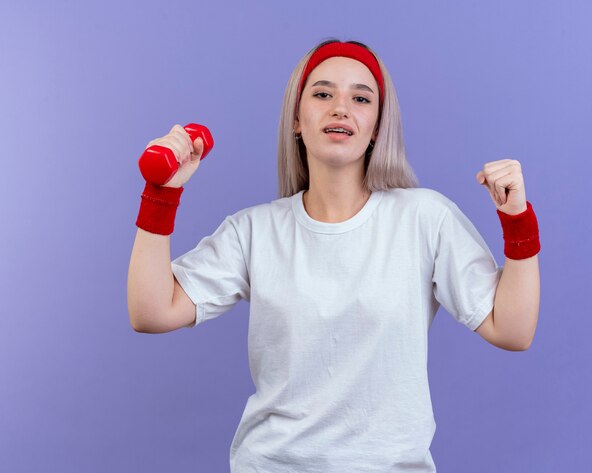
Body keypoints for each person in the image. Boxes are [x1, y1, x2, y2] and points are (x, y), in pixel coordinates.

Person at [128, 38, 541, 472]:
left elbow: (511, 330)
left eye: (361, 98)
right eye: (323, 93)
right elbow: (151, 312)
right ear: (296, 120)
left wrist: (517, 219)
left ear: (378, 125)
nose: (340, 108)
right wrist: (162, 193)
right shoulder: (255, 230)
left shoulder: (425, 217)